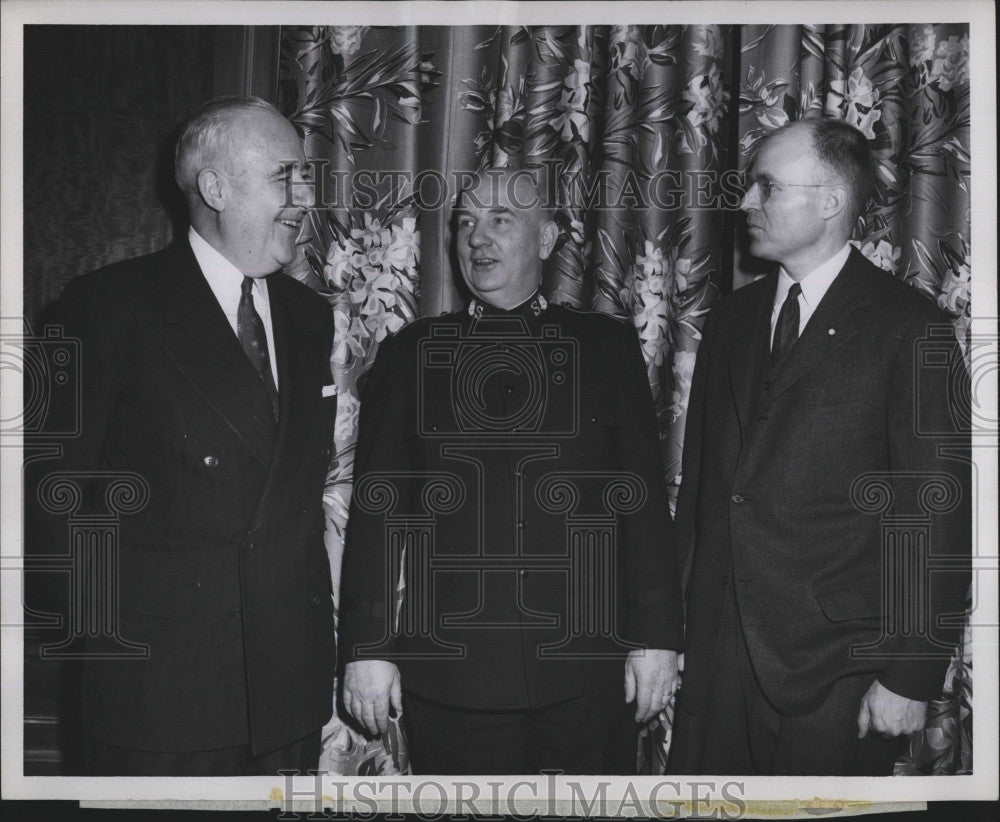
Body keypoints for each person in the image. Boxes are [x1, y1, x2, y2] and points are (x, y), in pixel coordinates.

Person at [338, 168, 683, 774]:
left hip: (589, 674)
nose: (477, 238)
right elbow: (377, 512)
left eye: (501, 220)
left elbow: (644, 506)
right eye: (465, 221)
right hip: (452, 680)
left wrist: (658, 635)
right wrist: (367, 648)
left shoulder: (605, 347)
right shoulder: (412, 353)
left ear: (547, 240)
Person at [29, 96, 337, 775]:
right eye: (287, 176)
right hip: (158, 703)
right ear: (215, 187)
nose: (306, 197)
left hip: (286, 697)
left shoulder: (310, 316)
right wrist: (125, 640)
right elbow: (49, 507)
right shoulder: (106, 307)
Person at [669, 118, 971, 776]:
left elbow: (935, 517)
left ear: (830, 202)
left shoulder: (910, 327)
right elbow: (699, 491)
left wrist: (913, 675)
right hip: (718, 663)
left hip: (840, 674)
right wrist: (672, 633)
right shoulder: (730, 320)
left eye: (766, 187)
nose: (746, 202)